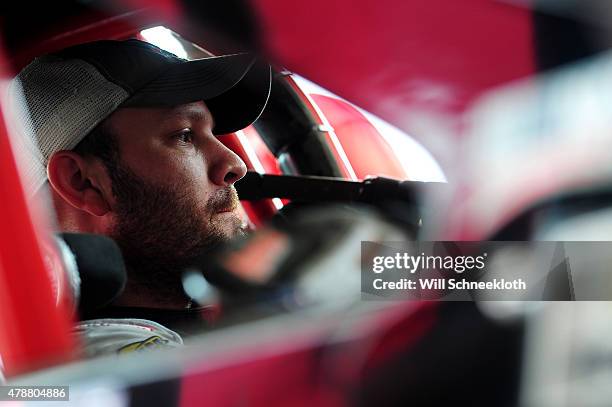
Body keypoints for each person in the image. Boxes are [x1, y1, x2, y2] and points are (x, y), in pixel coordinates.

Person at [10, 39, 271, 339]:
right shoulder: (95, 375)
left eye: (211, 133)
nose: (235, 165)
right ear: (83, 182)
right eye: (185, 136)